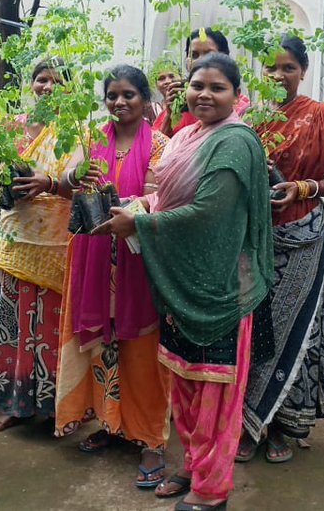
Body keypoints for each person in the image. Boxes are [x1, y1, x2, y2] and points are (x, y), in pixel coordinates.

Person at [100, 53, 273, 511]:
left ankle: (212, 489)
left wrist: (139, 225)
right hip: (184, 276)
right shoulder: (186, 137)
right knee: (185, 381)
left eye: (218, 87)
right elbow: (169, 195)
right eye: (198, 85)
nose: (205, 94)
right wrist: (139, 205)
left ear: (237, 95)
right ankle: (195, 463)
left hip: (221, 283)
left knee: (216, 390)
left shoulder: (235, 141)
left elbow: (209, 213)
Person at [54, 64, 173, 489]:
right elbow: (67, 185)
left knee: (141, 348)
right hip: (96, 256)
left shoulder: (160, 144)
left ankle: (150, 439)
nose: (119, 103)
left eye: (128, 95)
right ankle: (110, 423)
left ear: (145, 101)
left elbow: (163, 195)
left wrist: (130, 211)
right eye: (112, 95)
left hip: (138, 259)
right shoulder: (91, 142)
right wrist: (73, 178)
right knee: (103, 343)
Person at [237, 35, 324, 464]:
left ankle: (282, 426)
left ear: (303, 70)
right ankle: (249, 424)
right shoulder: (244, 117)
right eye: (271, 68)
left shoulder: (321, 115)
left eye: (288, 68)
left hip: (302, 238)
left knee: (295, 330)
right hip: (253, 239)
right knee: (254, 329)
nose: (279, 75)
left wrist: (301, 187)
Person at [0, 61, 85, 431]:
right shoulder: (11, 129)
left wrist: (48, 183)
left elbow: (78, 180)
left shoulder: (76, 130)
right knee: (13, 330)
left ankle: (61, 408)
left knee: (52, 330)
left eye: (57, 81)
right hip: (14, 241)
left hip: (56, 245)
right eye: (41, 80)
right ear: (30, 85)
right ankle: (15, 405)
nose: (47, 87)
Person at [154, 29, 249, 137]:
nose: (200, 61)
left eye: (209, 55)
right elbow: (158, 149)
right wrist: (170, 114)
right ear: (187, 62)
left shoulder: (242, 109)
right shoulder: (179, 103)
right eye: (194, 55)